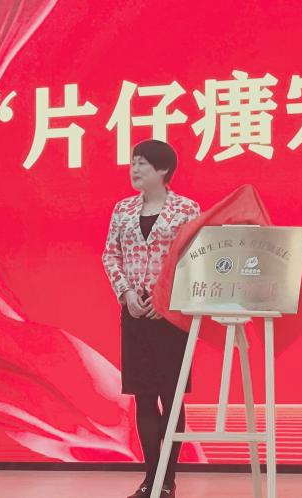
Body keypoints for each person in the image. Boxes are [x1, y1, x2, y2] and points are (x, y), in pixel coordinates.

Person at [102, 139, 201, 498]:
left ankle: (168, 481)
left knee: (172, 397)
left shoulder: (186, 209)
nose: (135, 169)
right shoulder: (123, 209)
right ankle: (150, 479)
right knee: (144, 396)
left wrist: (167, 299)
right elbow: (110, 254)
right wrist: (126, 293)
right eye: (133, 162)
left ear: (163, 169)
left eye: (142, 163)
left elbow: (194, 259)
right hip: (135, 313)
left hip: (171, 317)